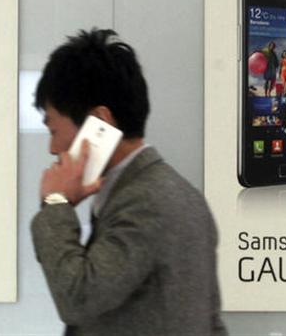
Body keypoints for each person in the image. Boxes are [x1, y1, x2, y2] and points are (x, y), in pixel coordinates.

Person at [31, 28, 227, 336]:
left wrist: (56, 203)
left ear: (99, 121)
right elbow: (211, 322)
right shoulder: (178, 194)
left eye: (54, 130)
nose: (52, 149)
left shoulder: (146, 202)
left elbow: (79, 297)